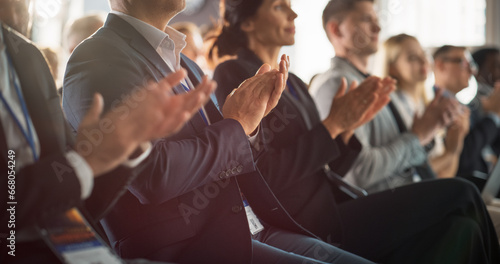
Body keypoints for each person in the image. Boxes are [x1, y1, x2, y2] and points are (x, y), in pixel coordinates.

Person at [62, 0, 376, 263]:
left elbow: (231, 150)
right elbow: (150, 176)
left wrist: (248, 127)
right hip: (190, 246)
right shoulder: (98, 57)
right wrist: (238, 126)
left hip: (248, 225)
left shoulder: (182, 60)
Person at [211, 0, 500, 263]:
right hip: (306, 220)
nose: (294, 13)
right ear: (247, 22)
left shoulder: (295, 81)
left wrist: (345, 132)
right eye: (278, 6)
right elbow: (263, 174)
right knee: (463, 192)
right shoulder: (235, 73)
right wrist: (333, 125)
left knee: (465, 227)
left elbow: (331, 167)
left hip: (334, 203)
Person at [0, 21, 213, 263]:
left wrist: (131, 144)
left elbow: (74, 196)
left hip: (78, 246)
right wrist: (86, 161)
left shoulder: (24, 54)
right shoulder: (90, 57)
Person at [310, 0, 461, 193]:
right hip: (382, 212)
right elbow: (357, 172)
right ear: (337, 30)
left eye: (377, 19)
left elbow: (407, 149)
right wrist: (417, 136)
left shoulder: (375, 83)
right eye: (366, 20)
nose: (378, 27)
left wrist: (430, 127)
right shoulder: (337, 85)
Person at [382, 34, 470, 178]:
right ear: (392, 67)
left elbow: (446, 176)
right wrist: (451, 152)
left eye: (424, 54)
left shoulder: (427, 103)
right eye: (412, 57)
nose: (424, 61)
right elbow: (414, 176)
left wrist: (457, 142)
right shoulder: (392, 108)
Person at [432, 45, 500, 180]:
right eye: (464, 63)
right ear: (441, 65)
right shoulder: (432, 107)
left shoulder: (463, 106)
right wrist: (493, 114)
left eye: (471, 64)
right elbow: (463, 157)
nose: (472, 70)